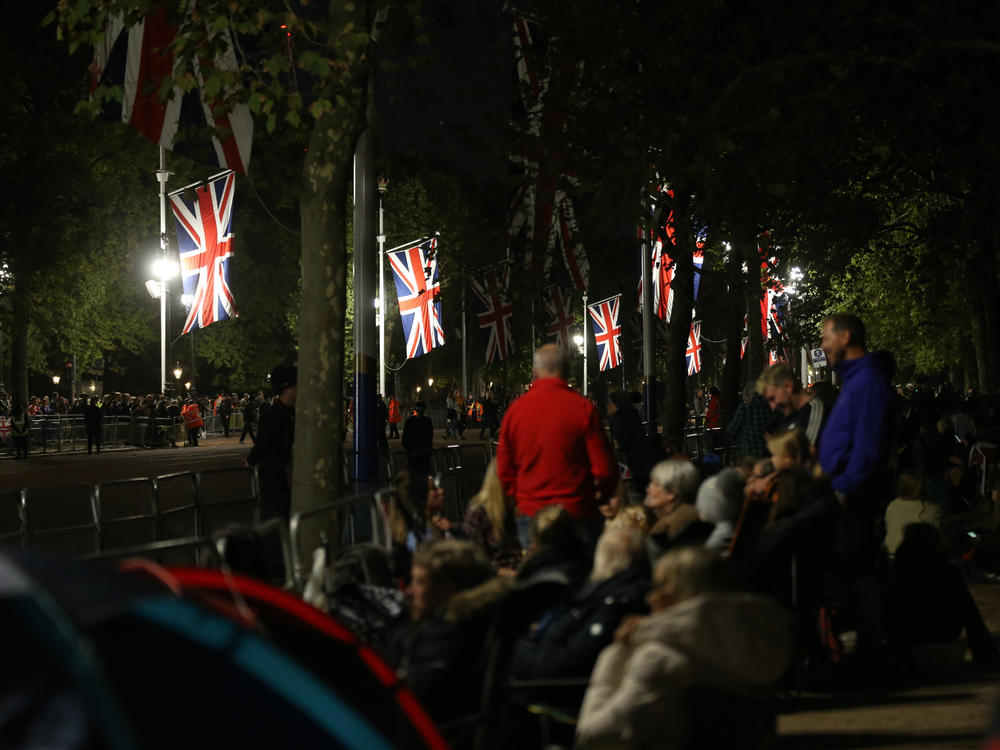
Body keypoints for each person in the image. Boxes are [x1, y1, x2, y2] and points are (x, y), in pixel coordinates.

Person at [575, 547, 791, 750]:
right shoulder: (759, 644)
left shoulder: (660, 659)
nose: (650, 598)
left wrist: (615, 654)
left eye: (658, 586)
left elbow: (595, 737)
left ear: (677, 592)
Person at [818, 313, 896, 656]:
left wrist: (845, 488)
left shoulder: (867, 381)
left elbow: (867, 445)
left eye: (825, 338)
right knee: (851, 565)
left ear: (845, 337)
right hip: (848, 488)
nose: (823, 346)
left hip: (854, 493)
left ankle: (871, 647)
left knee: (857, 566)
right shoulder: (857, 380)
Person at [497, 344, 618, 548]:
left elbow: (504, 470)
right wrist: (596, 497)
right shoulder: (583, 409)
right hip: (577, 510)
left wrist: (521, 499)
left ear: (535, 372)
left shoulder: (516, 411)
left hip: (531, 511)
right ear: (566, 371)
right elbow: (604, 469)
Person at [386, 540, 511, 727]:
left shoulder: (448, 637)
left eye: (420, 582)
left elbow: (407, 699)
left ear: (446, 589)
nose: (409, 591)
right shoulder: (487, 623)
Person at [246, 364, 297, 521]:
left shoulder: (284, 412)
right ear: (288, 388)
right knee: (276, 516)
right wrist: (251, 460)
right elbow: (263, 442)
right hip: (271, 473)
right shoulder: (274, 414)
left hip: (279, 470)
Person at [645, 458, 711, 553]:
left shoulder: (666, 534)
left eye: (655, 485)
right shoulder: (697, 520)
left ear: (671, 493)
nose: (648, 490)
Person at [756, 363, 827, 449]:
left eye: (772, 399)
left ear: (788, 386)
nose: (773, 406)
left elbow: (807, 453)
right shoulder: (782, 417)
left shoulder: (815, 410)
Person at [884, 470, 942, 556]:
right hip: (916, 559)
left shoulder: (891, 507)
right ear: (920, 489)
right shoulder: (931, 510)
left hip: (891, 557)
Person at [726, 380, 772, 459]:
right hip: (768, 453)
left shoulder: (744, 407)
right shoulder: (770, 406)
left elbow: (731, 431)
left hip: (748, 454)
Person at [401, 400, 434, 475]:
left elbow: (405, 438)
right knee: (424, 473)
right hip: (424, 453)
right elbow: (429, 437)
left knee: (412, 473)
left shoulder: (409, 421)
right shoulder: (427, 422)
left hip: (412, 452)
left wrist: (408, 449)